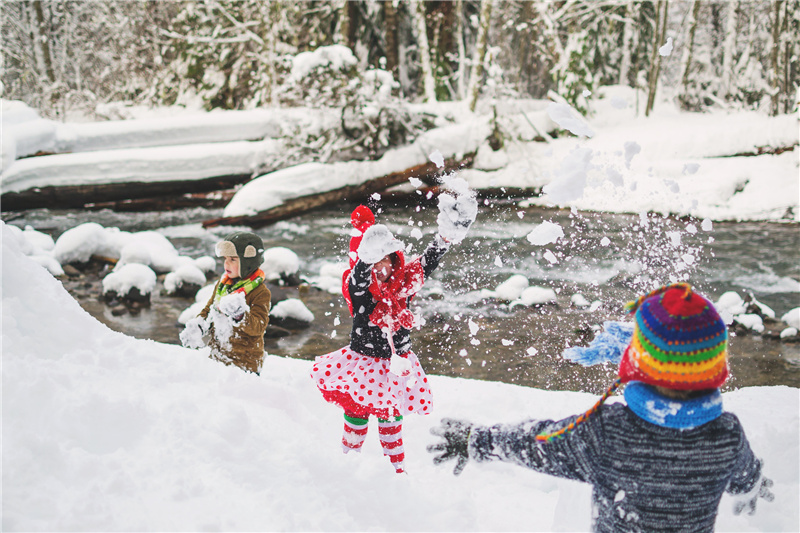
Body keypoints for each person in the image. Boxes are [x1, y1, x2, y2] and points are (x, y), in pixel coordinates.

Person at [428, 283, 773, 532]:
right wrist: (759, 487)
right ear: (714, 369)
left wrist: (477, 440)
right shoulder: (726, 435)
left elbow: (539, 442)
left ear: (639, 361)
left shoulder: (609, 431)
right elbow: (746, 478)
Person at [311, 188, 477, 474]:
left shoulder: (404, 284)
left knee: (391, 420)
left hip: (396, 365)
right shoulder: (359, 290)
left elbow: (428, 261)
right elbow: (359, 279)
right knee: (357, 415)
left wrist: (447, 236)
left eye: (386, 258)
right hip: (363, 364)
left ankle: (396, 471)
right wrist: (365, 260)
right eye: (375, 261)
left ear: (396, 259)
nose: (381, 266)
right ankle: (347, 464)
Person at [180, 231, 271, 375]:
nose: (226, 263)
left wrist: (240, 316)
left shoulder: (260, 292)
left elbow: (258, 327)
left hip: (244, 364)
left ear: (248, 262)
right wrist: (198, 326)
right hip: (217, 358)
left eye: (233, 259)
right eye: (225, 258)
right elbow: (209, 310)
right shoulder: (223, 285)